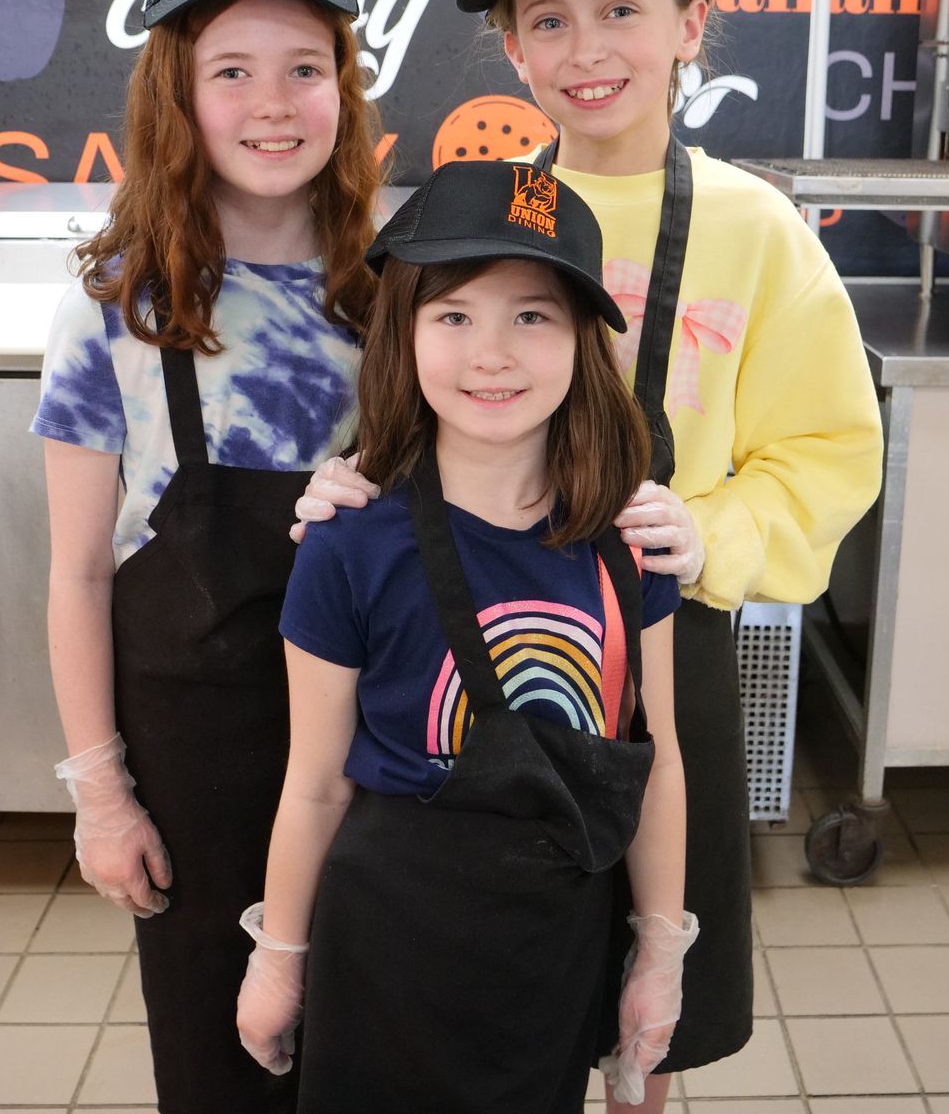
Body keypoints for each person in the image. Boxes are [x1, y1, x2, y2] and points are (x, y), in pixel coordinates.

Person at [297, 0, 885, 1112]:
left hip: (668, 643)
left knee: (646, 1027)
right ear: (511, 49)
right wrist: (340, 488)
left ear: (692, 24)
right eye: (547, 21)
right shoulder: (476, 218)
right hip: (479, 655)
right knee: (495, 1001)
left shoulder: (759, 229)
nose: (587, 49)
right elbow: (406, 413)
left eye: (622, 8)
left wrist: (704, 530)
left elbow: (832, 452)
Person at [236, 160, 697, 1112]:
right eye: (453, 316)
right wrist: (279, 956)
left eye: (532, 315)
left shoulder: (629, 544)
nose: (492, 353)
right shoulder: (348, 543)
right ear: (404, 336)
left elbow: (660, 763)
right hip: (385, 942)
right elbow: (313, 781)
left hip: (555, 941)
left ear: (582, 341)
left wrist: (658, 949)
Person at [34, 0, 380, 1114]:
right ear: (176, 94)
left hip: (380, 746)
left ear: (346, 84)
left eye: (305, 67)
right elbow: (78, 570)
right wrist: (102, 792)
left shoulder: (401, 289)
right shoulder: (116, 304)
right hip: (194, 755)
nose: (273, 104)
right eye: (232, 70)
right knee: (218, 1059)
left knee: (378, 1040)